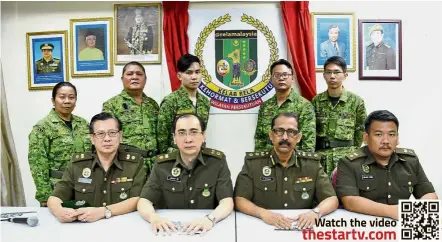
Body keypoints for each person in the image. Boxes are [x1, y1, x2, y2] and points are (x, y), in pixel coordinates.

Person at [236, 113, 338, 230]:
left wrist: (315, 213)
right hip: (263, 226)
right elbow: (240, 199)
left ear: (298, 137)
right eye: (279, 131)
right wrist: (263, 214)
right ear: (271, 135)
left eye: (291, 132)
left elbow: (331, 199)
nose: (285, 137)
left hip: (300, 227)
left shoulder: (311, 164)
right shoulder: (254, 163)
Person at [137, 114, 234, 235]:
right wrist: (153, 217)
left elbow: (227, 202)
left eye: (193, 132)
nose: (188, 139)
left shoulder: (217, 162)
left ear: (203, 136)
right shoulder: (162, 165)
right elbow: (144, 201)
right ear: (174, 138)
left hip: (206, 230)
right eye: (182, 133)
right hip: (172, 230)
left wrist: (210, 219)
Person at [336, 110, 438, 220]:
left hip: (401, 224)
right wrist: (394, 211)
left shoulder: (410, 160)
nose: (386, 141)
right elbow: (350, 201)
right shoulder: (349, 163)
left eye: (391, 134)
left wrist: (418, 210)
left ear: (397, 138)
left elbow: (428, 194)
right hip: (364, 226)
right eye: (378, 134)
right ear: (366, 138)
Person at [47, 112, 146, 223]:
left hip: (123, 225)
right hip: (85, 228)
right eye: (100, 134)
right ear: (92, 138)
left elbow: (138, 198)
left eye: (112, 133)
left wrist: (104, 212)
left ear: (120, 136)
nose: (107, 139)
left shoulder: (135, 163)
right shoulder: (78, 164)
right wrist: (59, 211)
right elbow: (55, 197)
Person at [28, 82, 91, 206]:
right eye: (62, 97)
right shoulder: (43, 127)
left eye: (71, 97)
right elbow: (37, 164)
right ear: (53, 100)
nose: (67, 101)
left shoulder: (83, 124)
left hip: (84, 185)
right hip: (56, 188)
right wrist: (45, 195)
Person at [312, 56, 366, 176]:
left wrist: (352, 153)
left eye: (336, 72)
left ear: (345, 75)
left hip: (346, 159)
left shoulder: (356, 102)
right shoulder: (316, 101)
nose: (332, 76)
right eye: (328, 72)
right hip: (321, 159)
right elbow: (312, 131)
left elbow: (360, 132)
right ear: (324, 75)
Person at [102, 61, 159, 170]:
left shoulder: (153, 104)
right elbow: (108, 139)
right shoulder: (111, 105)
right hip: (127, 165)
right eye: (130, 74)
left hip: (154, 166)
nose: (135, 77)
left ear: (145, 79)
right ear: (122, 79)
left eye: (139, 74)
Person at [254, 59, 316, 152]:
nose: (281, 78)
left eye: (285, 75)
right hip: (268, 160)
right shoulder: (265, 107)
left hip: (294, 160)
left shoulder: (304, 106)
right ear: (271, 79)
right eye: (277, 75)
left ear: (292, 78)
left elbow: (308, 142)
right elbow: (260, 139)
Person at [157, 54, 210, 153]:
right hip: (175, 158)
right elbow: (162, 140)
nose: (194, 77)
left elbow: (202, 133)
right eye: (189, 73)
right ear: (179, 76)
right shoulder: (171, 101)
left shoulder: (204, 102)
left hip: (199, 158)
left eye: (197, 72)